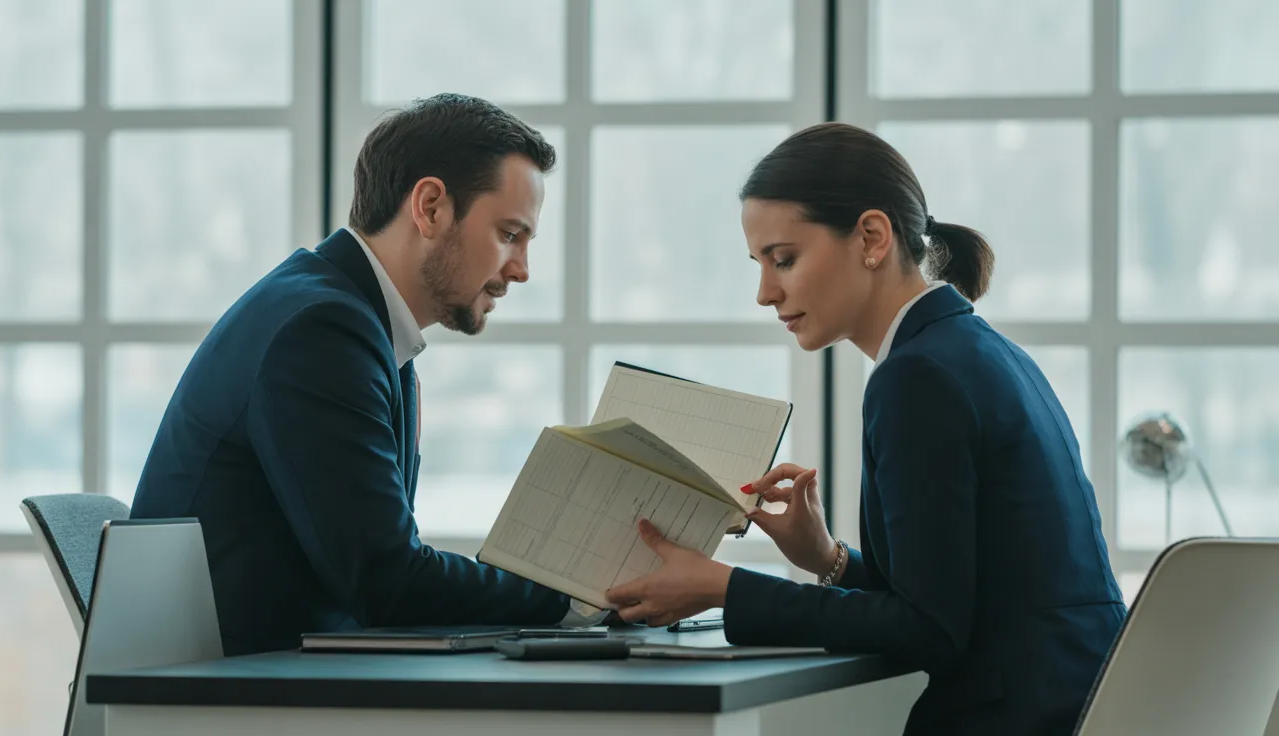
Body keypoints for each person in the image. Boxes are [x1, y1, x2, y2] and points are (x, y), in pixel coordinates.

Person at [604, 122, 1126, 735]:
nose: (765, 292)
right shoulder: (978, 351)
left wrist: (725, 587)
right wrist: (825, 557)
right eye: (760, 265)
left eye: (784, 259)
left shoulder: (917, 378)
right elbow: (949, 597)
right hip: (1076, 705)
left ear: (872, 237)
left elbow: (929, 632)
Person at [131, 94, 584, 656]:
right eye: (509, 234)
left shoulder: (351, 320)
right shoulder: (321, 330)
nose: (520, 270)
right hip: (231, 698)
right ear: (431, 207)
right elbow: (386, 581)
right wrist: (569, 600)